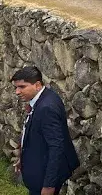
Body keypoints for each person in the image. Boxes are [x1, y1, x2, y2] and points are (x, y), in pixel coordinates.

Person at [11, 66, 80, 195]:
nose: (17, 92)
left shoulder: (46, 108)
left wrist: (49, 185)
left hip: (44, 176)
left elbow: (56, 147)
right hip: (39, 166)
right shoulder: (43, 98)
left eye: (22, 87)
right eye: (16, 87)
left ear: (37, 85)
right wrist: (23, 158)